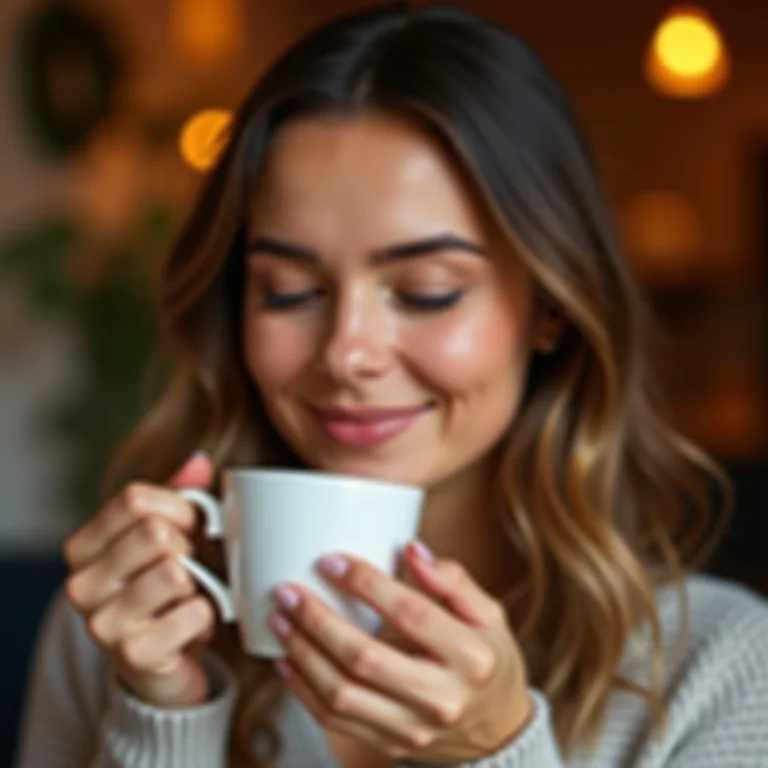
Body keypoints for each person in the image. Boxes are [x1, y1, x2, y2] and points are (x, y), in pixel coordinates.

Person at [16, 3, 768, 767]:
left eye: (429, 290)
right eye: (287, 290)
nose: (346, 353)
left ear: (551, 307)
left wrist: (497, 752)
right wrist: (160, 722)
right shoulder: (115, 632)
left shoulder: (723, 671)